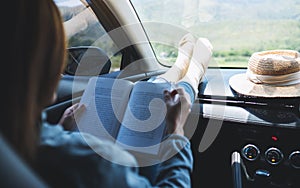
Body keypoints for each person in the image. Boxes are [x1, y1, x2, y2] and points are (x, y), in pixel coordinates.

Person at [2, 1, 212, 188]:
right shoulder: (91, 166)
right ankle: (191, 76)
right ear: (42, 69)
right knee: (156, 93)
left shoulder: (17, 145)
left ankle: (177, 70)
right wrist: (177, 133)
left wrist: (58, 130)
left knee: (151, 85)